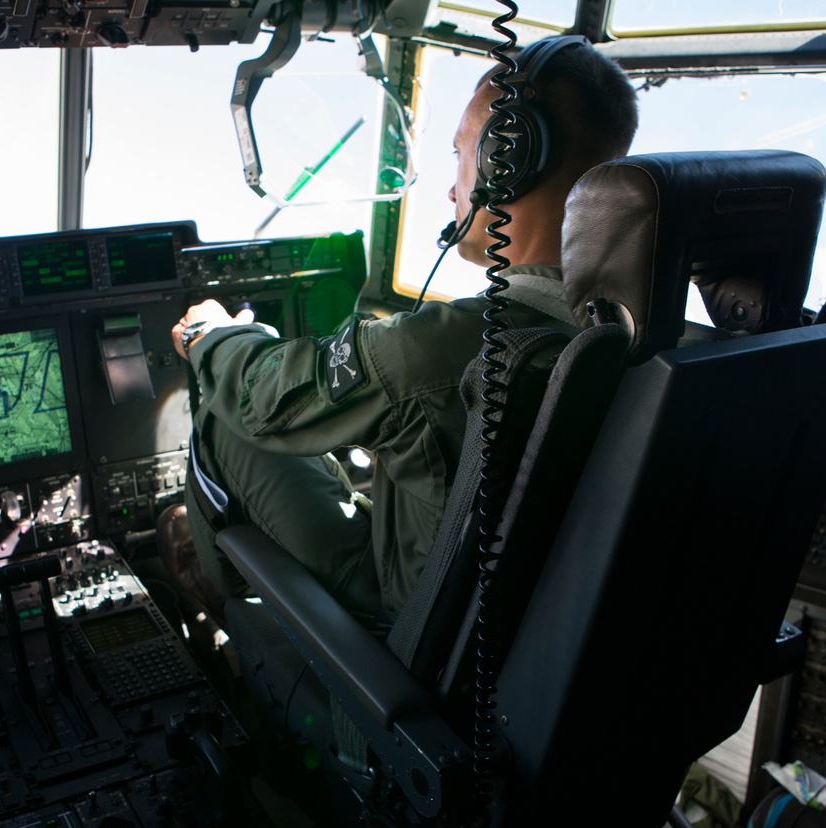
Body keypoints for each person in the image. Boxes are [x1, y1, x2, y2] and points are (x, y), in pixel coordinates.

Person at [168, 36, 639, 629]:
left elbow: (263, 397)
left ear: (506, 164)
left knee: (222, 419)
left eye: (462, 155)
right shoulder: (634, 334)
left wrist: (212, 336)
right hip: (517, 643)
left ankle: (226, 625)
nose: (452, 189)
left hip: (404, 641)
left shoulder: (459, 344)